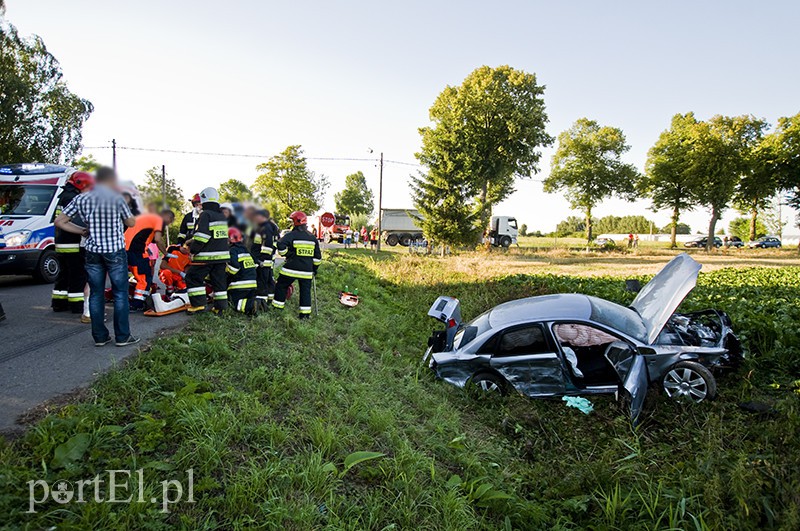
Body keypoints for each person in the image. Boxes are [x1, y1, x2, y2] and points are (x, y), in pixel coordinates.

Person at [55, 166, 139, 347]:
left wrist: (82, 231)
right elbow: (131, 222)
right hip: (114, 250)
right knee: (120, 294)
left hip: (93, 251)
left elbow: (60, 221)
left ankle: (100, 337)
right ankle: (123, 336)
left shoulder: (81, 199)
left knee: (96, 294)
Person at [52, 171, 94, 315]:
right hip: (73, 241)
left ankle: (59, 303)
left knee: (64, 274)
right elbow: (78, 220)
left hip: (60, 241)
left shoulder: (62, 197)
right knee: (78, 274)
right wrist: (84, 231)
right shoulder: (75, 198)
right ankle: (77, 305)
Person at [185, 188, 230, 313]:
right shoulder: (222, 216)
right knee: (219, 281)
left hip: (206, 257)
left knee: (193, 277)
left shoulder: (206, 214)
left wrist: (193, 250)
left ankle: (198, 305)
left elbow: (202, 237)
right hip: (222, 257)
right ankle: (220, 308)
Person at [272, 211, 321, 318]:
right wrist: (314, 269)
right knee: (305, 292)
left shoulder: (291, 235)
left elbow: (280, 244)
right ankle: (304, 316)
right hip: (307, 272)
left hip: (291, 269)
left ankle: (277, 308)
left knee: (281, 285)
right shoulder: (312, 238)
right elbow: (317, 258)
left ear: (296, 222)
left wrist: (288, 254)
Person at [124, 209, 174, 310]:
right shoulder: (158, 220)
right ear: (167, 217)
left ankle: (124, 299)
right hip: (137, 250)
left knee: (125, 276)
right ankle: (137, 303)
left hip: (123, 248)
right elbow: (158, 239)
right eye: (171, 220)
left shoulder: (147, 217)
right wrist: (166, 253)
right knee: (145, 278)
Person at [250, 209, 280, 309]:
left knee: (261, 283)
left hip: (262, 261)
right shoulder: (271, 226)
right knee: (269, 281)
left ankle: (261, 305)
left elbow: (266, 246)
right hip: (267, 260)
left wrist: (260, 261)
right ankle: (269, 301)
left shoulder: (264, 227)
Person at [226, 227, 258, 314]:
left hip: (239, 286)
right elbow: (255, 265)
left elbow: (234, 268)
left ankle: (252, 305)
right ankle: (255, 302)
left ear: (230, 239)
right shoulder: (246, 250)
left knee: (232, 303)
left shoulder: (233, 250)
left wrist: (225, 270)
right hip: (252, 286)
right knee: (243, 301)